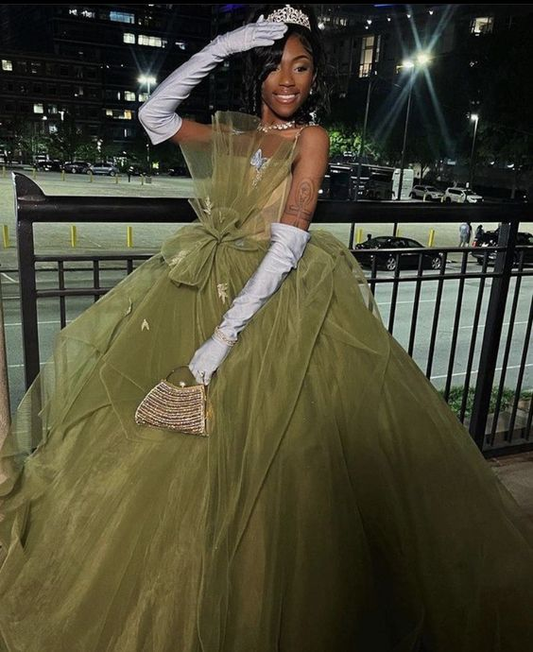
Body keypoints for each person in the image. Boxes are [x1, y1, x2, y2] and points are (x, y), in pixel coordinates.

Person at [1, 4, 533, 651]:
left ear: (315, 78)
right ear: (255, 71)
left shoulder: (310, 139)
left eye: (301, 67)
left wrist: (219, 341)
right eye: (274, 64)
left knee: (275, 455)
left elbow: (287, 244)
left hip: (274, 303)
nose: (287, 79)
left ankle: (255, 605)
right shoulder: (234, 134)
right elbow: (153, 115)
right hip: (202, 288)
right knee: (181, 458)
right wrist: (225, 43)